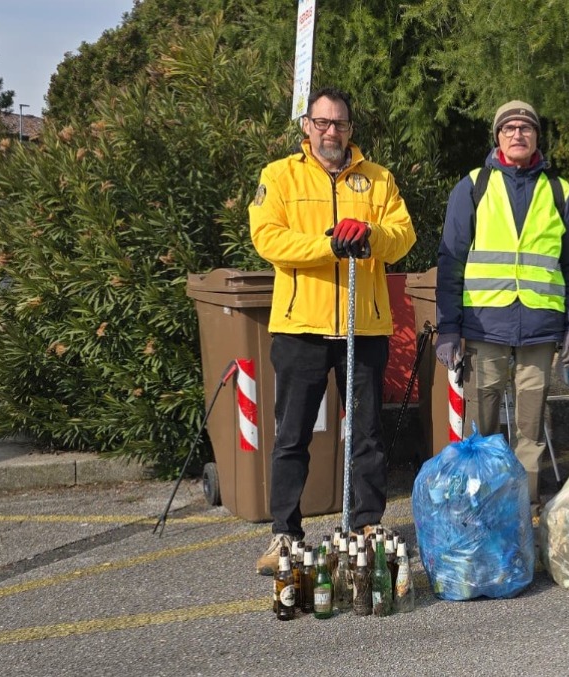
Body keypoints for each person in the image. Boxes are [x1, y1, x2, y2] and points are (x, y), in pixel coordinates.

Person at [249, 87, 417, 574]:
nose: (331, 132)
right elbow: (268, 238)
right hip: (300, 327)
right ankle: (285, 532)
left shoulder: (378, 179)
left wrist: (369, 236)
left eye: (339, 124)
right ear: (306, 126)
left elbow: (403, 235)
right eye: (322, 123)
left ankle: (367, 523)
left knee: (366, 434)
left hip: (361, 326)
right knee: (292, 435)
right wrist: (330, 245)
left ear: (350, 129)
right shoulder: (279, 176)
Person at [434, 100, 569, 506]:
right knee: (483, 431)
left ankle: (523, 513)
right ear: (497, 137)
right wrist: (449, 328)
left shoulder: (559, 191)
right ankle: (484, 511)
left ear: (537, 136)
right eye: (509, 128)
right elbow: (451, 259)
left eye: (526, 128)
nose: (517, 134)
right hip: (484, 328)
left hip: (539, 331)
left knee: (530, 432)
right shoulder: (473, 186)